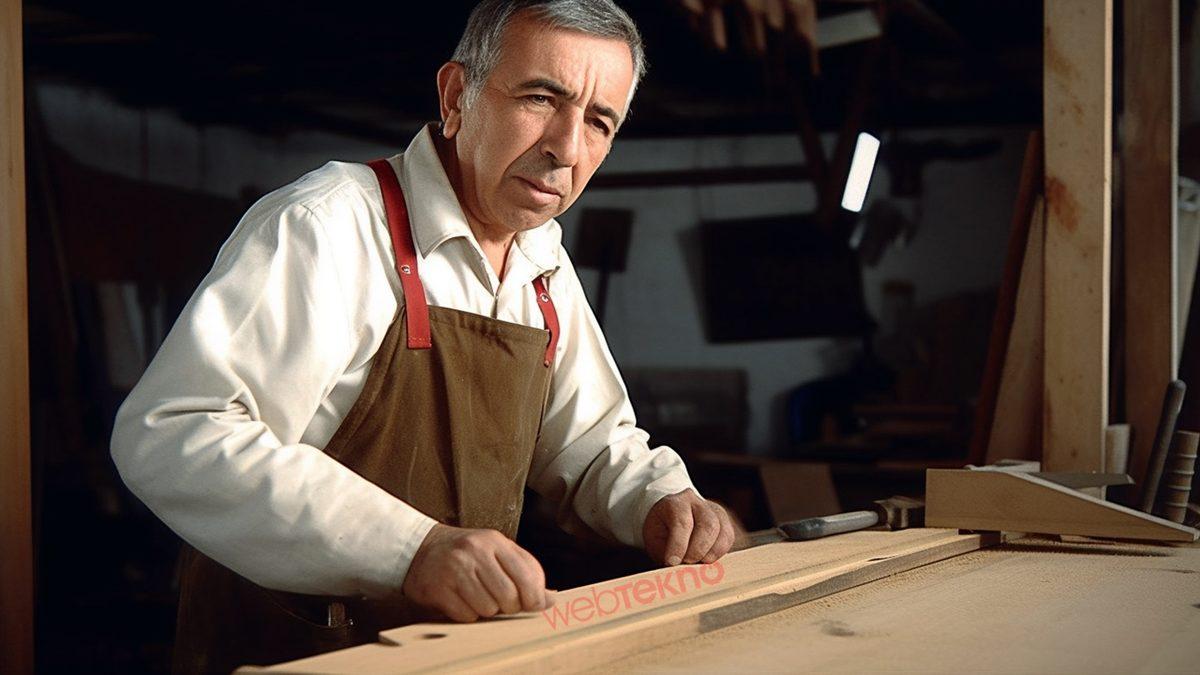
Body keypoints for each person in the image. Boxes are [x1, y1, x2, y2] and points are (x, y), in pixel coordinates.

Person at [110, 1, 736, 672]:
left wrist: (656, 499)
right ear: (457, 96)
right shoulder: (328, 225)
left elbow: (589, 447)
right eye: (541, 98)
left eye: (599, 121)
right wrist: (412, 549)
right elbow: (174, 431)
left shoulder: (542, 262)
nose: (567, 147)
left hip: (460, 658)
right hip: (297, 654)